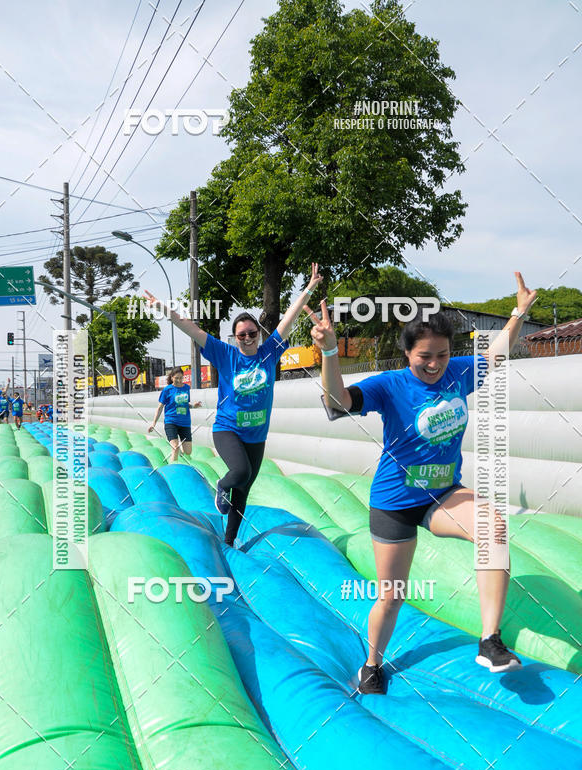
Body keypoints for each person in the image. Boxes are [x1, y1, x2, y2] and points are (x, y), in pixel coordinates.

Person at [310, 272, 538, 692]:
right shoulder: (390, 385)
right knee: (392, 595)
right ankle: (372, 663)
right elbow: (338, 402)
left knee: (493, 528)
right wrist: (328, 351)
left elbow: (498, 354)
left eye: (443, 355)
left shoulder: (458, 373)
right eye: (424, 357)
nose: (434, 365)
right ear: (407, 354)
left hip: (443, 494)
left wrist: (518, 312)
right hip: (395, 502)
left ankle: (490, 640)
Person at [144, 263, 323, 546]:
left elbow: (288, 318)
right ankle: (221, 485)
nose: (248, 338)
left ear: (258, 334)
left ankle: (229, 542)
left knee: (244, 491)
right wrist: (164, 310)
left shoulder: (269, 353)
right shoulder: (225, 354)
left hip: (257, 435)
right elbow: (190, 328)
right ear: (235, 338)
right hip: (228, 429)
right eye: (242, 335)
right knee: (239, 473)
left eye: (252, 333)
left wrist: (310, 287)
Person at [148, 367, 202, 462]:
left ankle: (178, 449)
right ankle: (172, 469)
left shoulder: (186, 388)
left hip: (185, 423)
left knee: (188, 451)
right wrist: (153, 423)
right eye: (176, 378)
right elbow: (160, 407)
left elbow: (184, 404)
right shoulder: (167, 390)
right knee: (175, 447)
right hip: (171, 422)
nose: (179, 380)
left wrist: (193, 406)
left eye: (181, 378)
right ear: (172, 377)